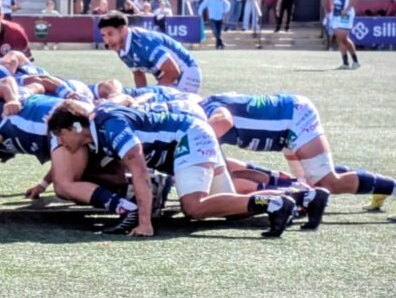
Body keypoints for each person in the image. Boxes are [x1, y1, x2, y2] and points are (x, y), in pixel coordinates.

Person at [46, 100, 309, 238]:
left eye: (60, 134)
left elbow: (138, 170)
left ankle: (278, 202)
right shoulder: (101, 127)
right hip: (191, 134)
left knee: (193, 207)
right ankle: (291, 199)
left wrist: (145, 223)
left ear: (76, 128)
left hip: (188, 135)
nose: (59, 142)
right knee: (229, 208)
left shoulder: (109, 125)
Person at [201, 92, 396, 221]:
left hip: (294, 119)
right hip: (287, 123)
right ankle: (379, 187)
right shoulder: (201, 108)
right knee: (307, 182)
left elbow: (223, 121)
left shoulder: (205, 113)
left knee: (327, 182)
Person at [97, 11, 201, 92]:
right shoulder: (121, 48)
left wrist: (151, 94)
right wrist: (140, 95)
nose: (107, 41)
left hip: (187, 73)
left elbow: (173, 72)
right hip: (169, 75)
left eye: (110, 34)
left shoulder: (143, 42)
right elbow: (138, 74)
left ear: (123, 30)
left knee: (164, 109)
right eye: (103, 36)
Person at [324, 0, 361, 70]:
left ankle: (355, 61)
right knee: (339, 38)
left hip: (345, 13)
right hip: (335, 13)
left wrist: (348, 8)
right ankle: (345, 63)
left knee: (343, 37)